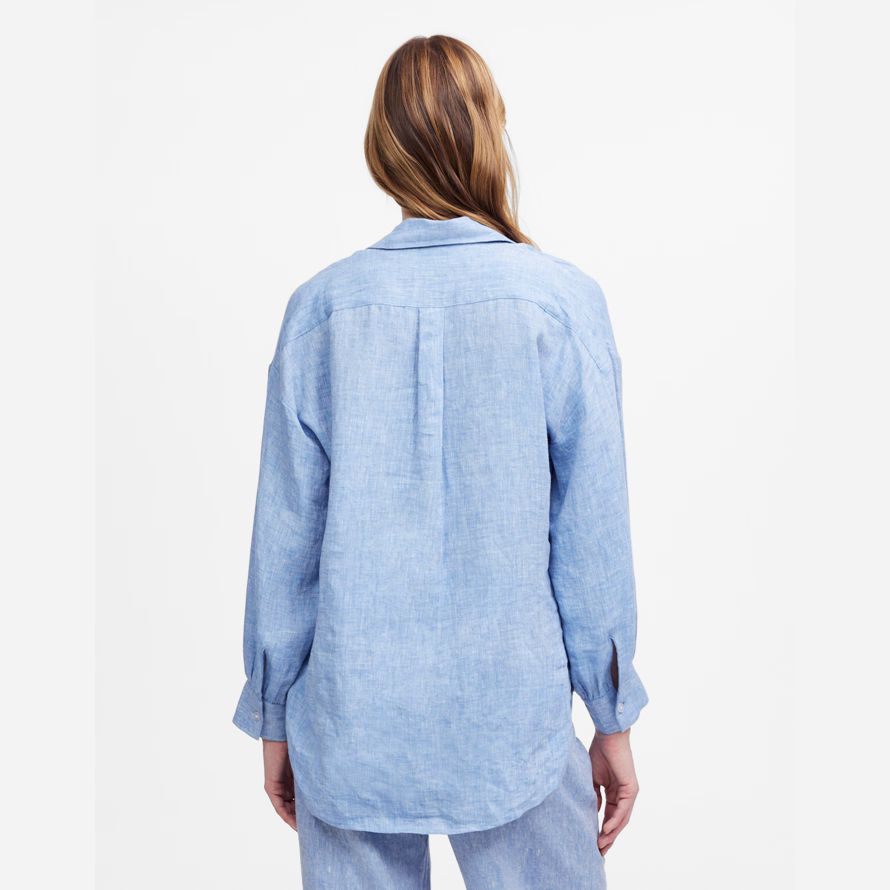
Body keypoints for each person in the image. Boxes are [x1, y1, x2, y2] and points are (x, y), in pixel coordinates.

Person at [233, 34, 648, 890]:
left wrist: (274, 716)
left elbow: (285, 545)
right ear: (490, 134)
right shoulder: (560, 303)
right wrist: (611, 717)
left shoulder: (320, 312)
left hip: (349, 723)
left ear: (382, 148)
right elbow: (592, 540)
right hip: (514, 724)